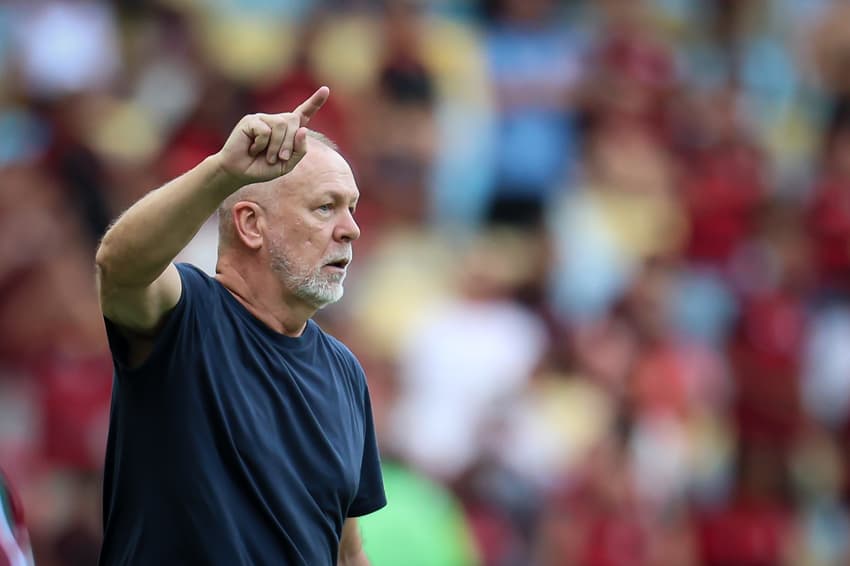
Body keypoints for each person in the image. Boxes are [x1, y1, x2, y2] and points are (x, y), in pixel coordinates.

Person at [94, 86, 386, 565]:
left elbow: (347, 554)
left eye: (351, 207)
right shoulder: (187, 319)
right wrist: (222, 172)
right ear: (251, 225)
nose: (351, 228)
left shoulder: (345, 373)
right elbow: (118, 266)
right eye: (325, 207)